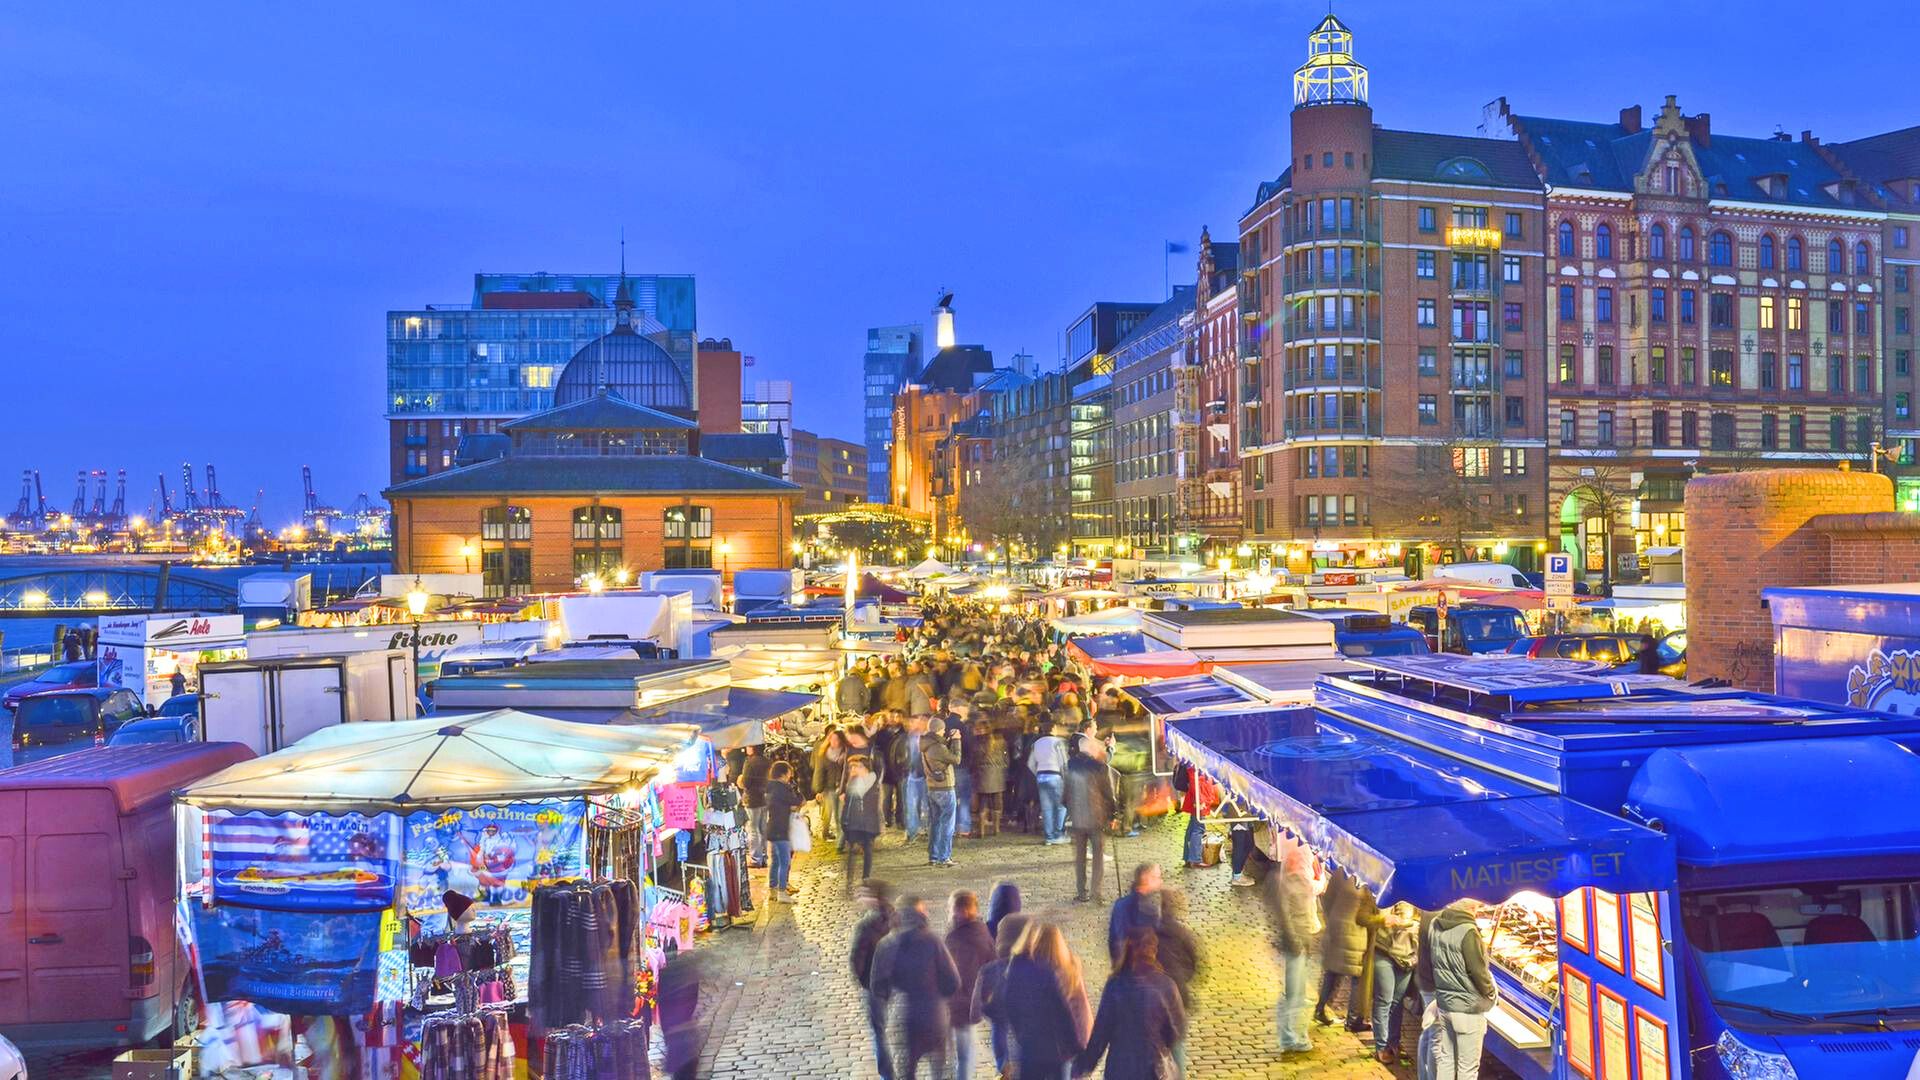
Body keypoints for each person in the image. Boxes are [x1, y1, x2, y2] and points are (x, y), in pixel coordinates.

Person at [869, 896, 961, 1080]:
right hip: (935, 1016)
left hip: (903, 1018)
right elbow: (953, 981)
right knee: (940, 1071)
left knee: (906, 1072)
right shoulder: (933, 941)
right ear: (919, 913)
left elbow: (878, 988)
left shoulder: (887, 945)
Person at [1075, 926, 1185, 1080]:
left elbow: (1101, 1033)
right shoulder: (1166, 985)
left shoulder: (1115, 986)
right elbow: (1176, 1031)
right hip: (1154, 1070)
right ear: (1154, 950)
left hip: (1120, 1069)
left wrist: (1085, 1064)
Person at [988, 921, 1087, 1080]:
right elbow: (1065, 1013)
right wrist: (1077, 1047)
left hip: (1029, 1048)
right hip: (1056, 1051)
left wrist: (1019, 1032)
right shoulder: (1052, 971)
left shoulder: (1015, 968)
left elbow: (1007, 1004)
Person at [1418, 900, 1496, 1080]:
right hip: (1468, 1009)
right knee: (1467, 1068)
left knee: (1446, 1059)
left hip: (1445, 1004)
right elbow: (1477, 971)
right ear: (1471, 908)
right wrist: (1490, 992)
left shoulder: (1436, 924)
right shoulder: (1468, 931)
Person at [1263, 844, 1318, 1054]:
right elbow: (1285, 916)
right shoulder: (1285, 882)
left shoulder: (1298, 879)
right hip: (1295, 944)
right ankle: (1289, 1037)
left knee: (1298, 993)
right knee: (1293, 994)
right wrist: (1295, 943)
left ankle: (1295, 1035)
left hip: (1301, 942)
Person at [971, 911, 1032, 1078]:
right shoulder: (1032, 968)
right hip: (1023, 1017)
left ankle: (1003, 1063)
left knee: (999, 1028)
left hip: (998, 1010)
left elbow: (978, 1001)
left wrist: (977, 1013)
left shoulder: (989, 969)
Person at [944, 890, 996, 1080]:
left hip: (961, 1005)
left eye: (951, 908)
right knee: (964, 1052)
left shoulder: (961, 938)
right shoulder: (980, 931)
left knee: (964, 1055)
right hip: (966, 1004)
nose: (949, 912)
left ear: (963, 910)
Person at [850, 881, 899, 1080]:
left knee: (878, 1031)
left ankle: (887, 1074)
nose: (859, 899)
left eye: (863, 894)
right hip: (893, 981)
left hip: (873, 983)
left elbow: (857, 958)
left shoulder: (866, 925)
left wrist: (861, 980)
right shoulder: (894, 916)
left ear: (873, 897)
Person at [1152, 889, 1202, 1079]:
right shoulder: (1183, 934)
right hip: (1178, 997)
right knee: (1177, 1043)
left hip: (1155, 999)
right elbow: (1195, 963)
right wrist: (1182, 978)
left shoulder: (1150, 935)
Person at [1315, 868, 1370, 1032]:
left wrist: (1333, 917)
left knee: (1332, 972)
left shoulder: (1341, 871)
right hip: (1355, 934)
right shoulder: (1366, 880)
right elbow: (1365, 916)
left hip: (1335, 928)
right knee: (1357, 977)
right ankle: (1353, 1020)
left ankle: (1320, 1008)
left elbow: (1327, 899)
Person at [1065, 733, 1117, 903]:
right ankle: (1096, 893)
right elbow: (1108, 793)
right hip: (1096, 816)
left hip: (1077, 817)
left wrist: (1071, 809)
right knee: (1097, 856)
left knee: (1080, 857)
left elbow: (1065, 793)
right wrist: (1113, 814)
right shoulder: (1100, 767)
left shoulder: (1071, 765)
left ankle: (1081, 892)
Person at [1370, 901, 1421, 1066]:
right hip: (1385, 952)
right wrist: (1386, 919)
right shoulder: (1390, 894)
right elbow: (1379, 916)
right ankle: (1381, 1046)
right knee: (1384, 1000)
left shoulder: (1420, 897)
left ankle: (1393, 1042)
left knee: (1397, 1002)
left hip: (1407, 956)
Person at [922, 715, 962, 867]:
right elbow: (956, 759)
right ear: (938, 730)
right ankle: (944, 857)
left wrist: (949, 739)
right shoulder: (937, 748)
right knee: (947, 824)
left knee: (935, 823)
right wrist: (957, 741)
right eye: (943, 730)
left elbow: (943, 755)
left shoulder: (927, 744)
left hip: (932, 788)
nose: (944, 732)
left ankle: (933, 856)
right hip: (945, 788)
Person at [840, 756, 883, 889]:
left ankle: (865, 877)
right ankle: (849, 879)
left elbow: (876, 805)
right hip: (854, 821)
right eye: (853, 767)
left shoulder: (873, 780)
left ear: (865, 768)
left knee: (867, 849)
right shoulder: (853, 782)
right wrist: (844, 820)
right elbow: (848, 803)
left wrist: (879, 823)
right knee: (852, 850)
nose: (854, 769)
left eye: (857, 766)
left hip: (868, 822)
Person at [1108, 862, 1163, 963]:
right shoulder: (1149, 909)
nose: (1161, 881)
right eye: (1157, 877)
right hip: (1139, 964)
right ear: (1147, 879)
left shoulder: (1121, 904)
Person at [764, 761, 802, 903]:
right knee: (784, 861)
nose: (790, 776)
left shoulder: (770, 787)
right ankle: (781, 892)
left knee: (775, 861)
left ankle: (773, 890)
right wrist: (798, 794)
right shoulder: (781, 788)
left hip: (773, 827)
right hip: (781, 828)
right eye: (789, 773)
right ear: (784, 773)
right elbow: (797, 800)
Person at [1028, 721, 1069, 844]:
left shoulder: (1036, 743)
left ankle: (1049, 837)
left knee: (1047, 808)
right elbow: (1063, 762)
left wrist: (1037, 773)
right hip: (1055, 776)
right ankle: (1058, 834)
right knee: (1061, 806)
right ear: (1054, 729)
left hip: (1041, 776)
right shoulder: (1058, 742)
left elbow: (1030, 763)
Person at [974, 719, 1009, 837]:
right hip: (998, 774)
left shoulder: (977, 742)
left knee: (982, 802)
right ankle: (996, 829)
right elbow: (1006, 759)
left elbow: (973, 759)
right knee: (997, 803)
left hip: (982, 774)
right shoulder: (1001, 742)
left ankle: (981, 830)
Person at [812, 729, 846, 842]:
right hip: (828, 787)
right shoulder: (824, 754)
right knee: (828, 812)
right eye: (832, 739)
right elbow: (819, 772)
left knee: (840, 814)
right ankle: (825, 833)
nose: (834, 742)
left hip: (841, 787)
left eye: (837, 739)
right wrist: (818, 790)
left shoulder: (845, 753)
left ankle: (841, 839)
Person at [741, 746, 771, 868]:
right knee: (763, 828)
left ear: (753, 747)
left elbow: (746, 782)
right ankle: (763, 857)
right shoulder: (767, 761)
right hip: (764, 798)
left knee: (753, 829)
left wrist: (741, 780)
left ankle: (755, 859)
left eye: (749, 745)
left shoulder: (749, 762)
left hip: (752, 799)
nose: (746, 748)